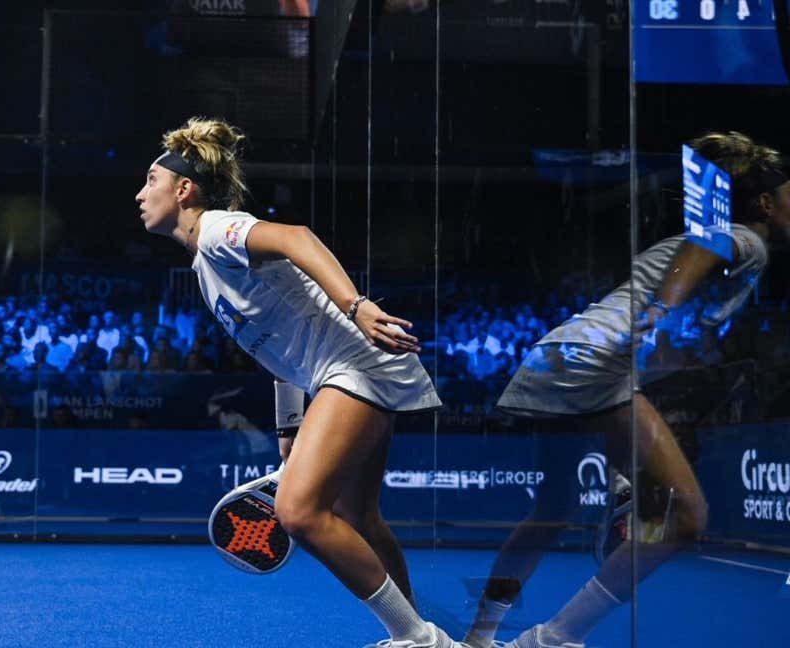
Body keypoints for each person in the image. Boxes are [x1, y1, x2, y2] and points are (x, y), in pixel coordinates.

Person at [135, 117, 453, 647]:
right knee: (359, 515)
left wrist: (357, 305)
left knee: (300, 511)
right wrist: (290, 422)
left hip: (355, 364)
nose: (141, 193)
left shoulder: (215, 229)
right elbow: (280, 348)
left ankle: (419, 639)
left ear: (183, 188)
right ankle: (417, 632)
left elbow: (294, 237)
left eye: (151, 180)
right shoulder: (204, 268)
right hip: (344, 369)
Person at [464, 131, 790, 648]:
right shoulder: (746, 242)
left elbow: (675, 343)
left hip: (561, 354)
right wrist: (661, 310)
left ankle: (479, 638)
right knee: (687, 514)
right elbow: (702, 249)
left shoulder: (723, 256)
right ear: (767, 204)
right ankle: (554, 639)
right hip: (599, 364)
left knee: (552, 510)